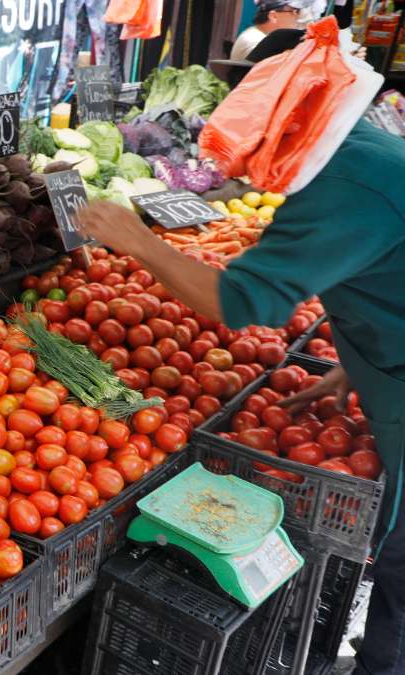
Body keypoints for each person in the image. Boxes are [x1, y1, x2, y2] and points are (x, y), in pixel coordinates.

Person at [76, 118, 405, 675]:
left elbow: (239, 301)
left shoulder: (342, 185)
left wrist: (137, 240)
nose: (249, 173)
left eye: (249, 157)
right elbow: (379, 274)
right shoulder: (358, 145)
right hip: (385, 372)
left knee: (400, 565)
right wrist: (355, 361)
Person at [230, 0, 306, 60]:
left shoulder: (257, 34)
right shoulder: (255, 40)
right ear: (274, 16)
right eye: (294, 12)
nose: (298, 17)